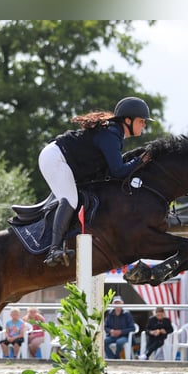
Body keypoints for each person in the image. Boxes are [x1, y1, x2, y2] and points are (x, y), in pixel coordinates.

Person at [38, 96, 154, 267]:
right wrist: (140, 160)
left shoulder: (114, 133)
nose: (144, 125)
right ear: (127, 120)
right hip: (55, 158)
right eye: (141, 121)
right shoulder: (111, 135)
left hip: (59, 157)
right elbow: (118, 171)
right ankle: (54, 249)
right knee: (70, 199)